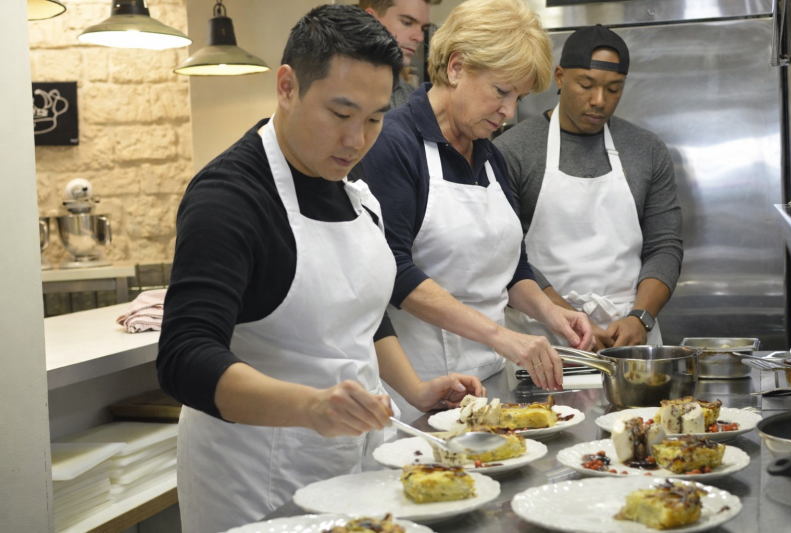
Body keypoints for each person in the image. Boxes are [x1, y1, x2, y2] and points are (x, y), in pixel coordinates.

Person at [157, 6, 484, 532]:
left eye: (374, 118)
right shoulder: (229, 198)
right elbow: (184, 358)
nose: (357, 140)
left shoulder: (355, 194)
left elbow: (361, 312)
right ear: (287, 87)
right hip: (254, 481)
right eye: (340, 113)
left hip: (352, 469)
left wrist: (415, 389)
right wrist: (309, 407)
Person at [359, 0, 594, 422]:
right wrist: (500, 335)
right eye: (501, 91)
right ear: (456, 68)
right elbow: (392, 271)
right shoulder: (393, 144)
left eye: (519, 97)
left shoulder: (490, 156)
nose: (509, 112)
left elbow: (512, 267)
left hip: (488, 382)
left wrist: (552, 313)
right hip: (418, 392)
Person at [495, 25, 683, 350]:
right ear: (560, 77)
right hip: (542, 339)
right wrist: (568, 318)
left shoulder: (646, 150)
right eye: (586, 85)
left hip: (627, 342)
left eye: (614, 89)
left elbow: (664, 246)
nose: (599, 101)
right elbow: (506, 253)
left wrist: (640, 318)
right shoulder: (513, 149)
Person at [360, 0, 431, 108]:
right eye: (407, 22)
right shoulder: (336, 84)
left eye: (423, 29)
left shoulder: (414, 102)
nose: (419, 37)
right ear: (371, 20)